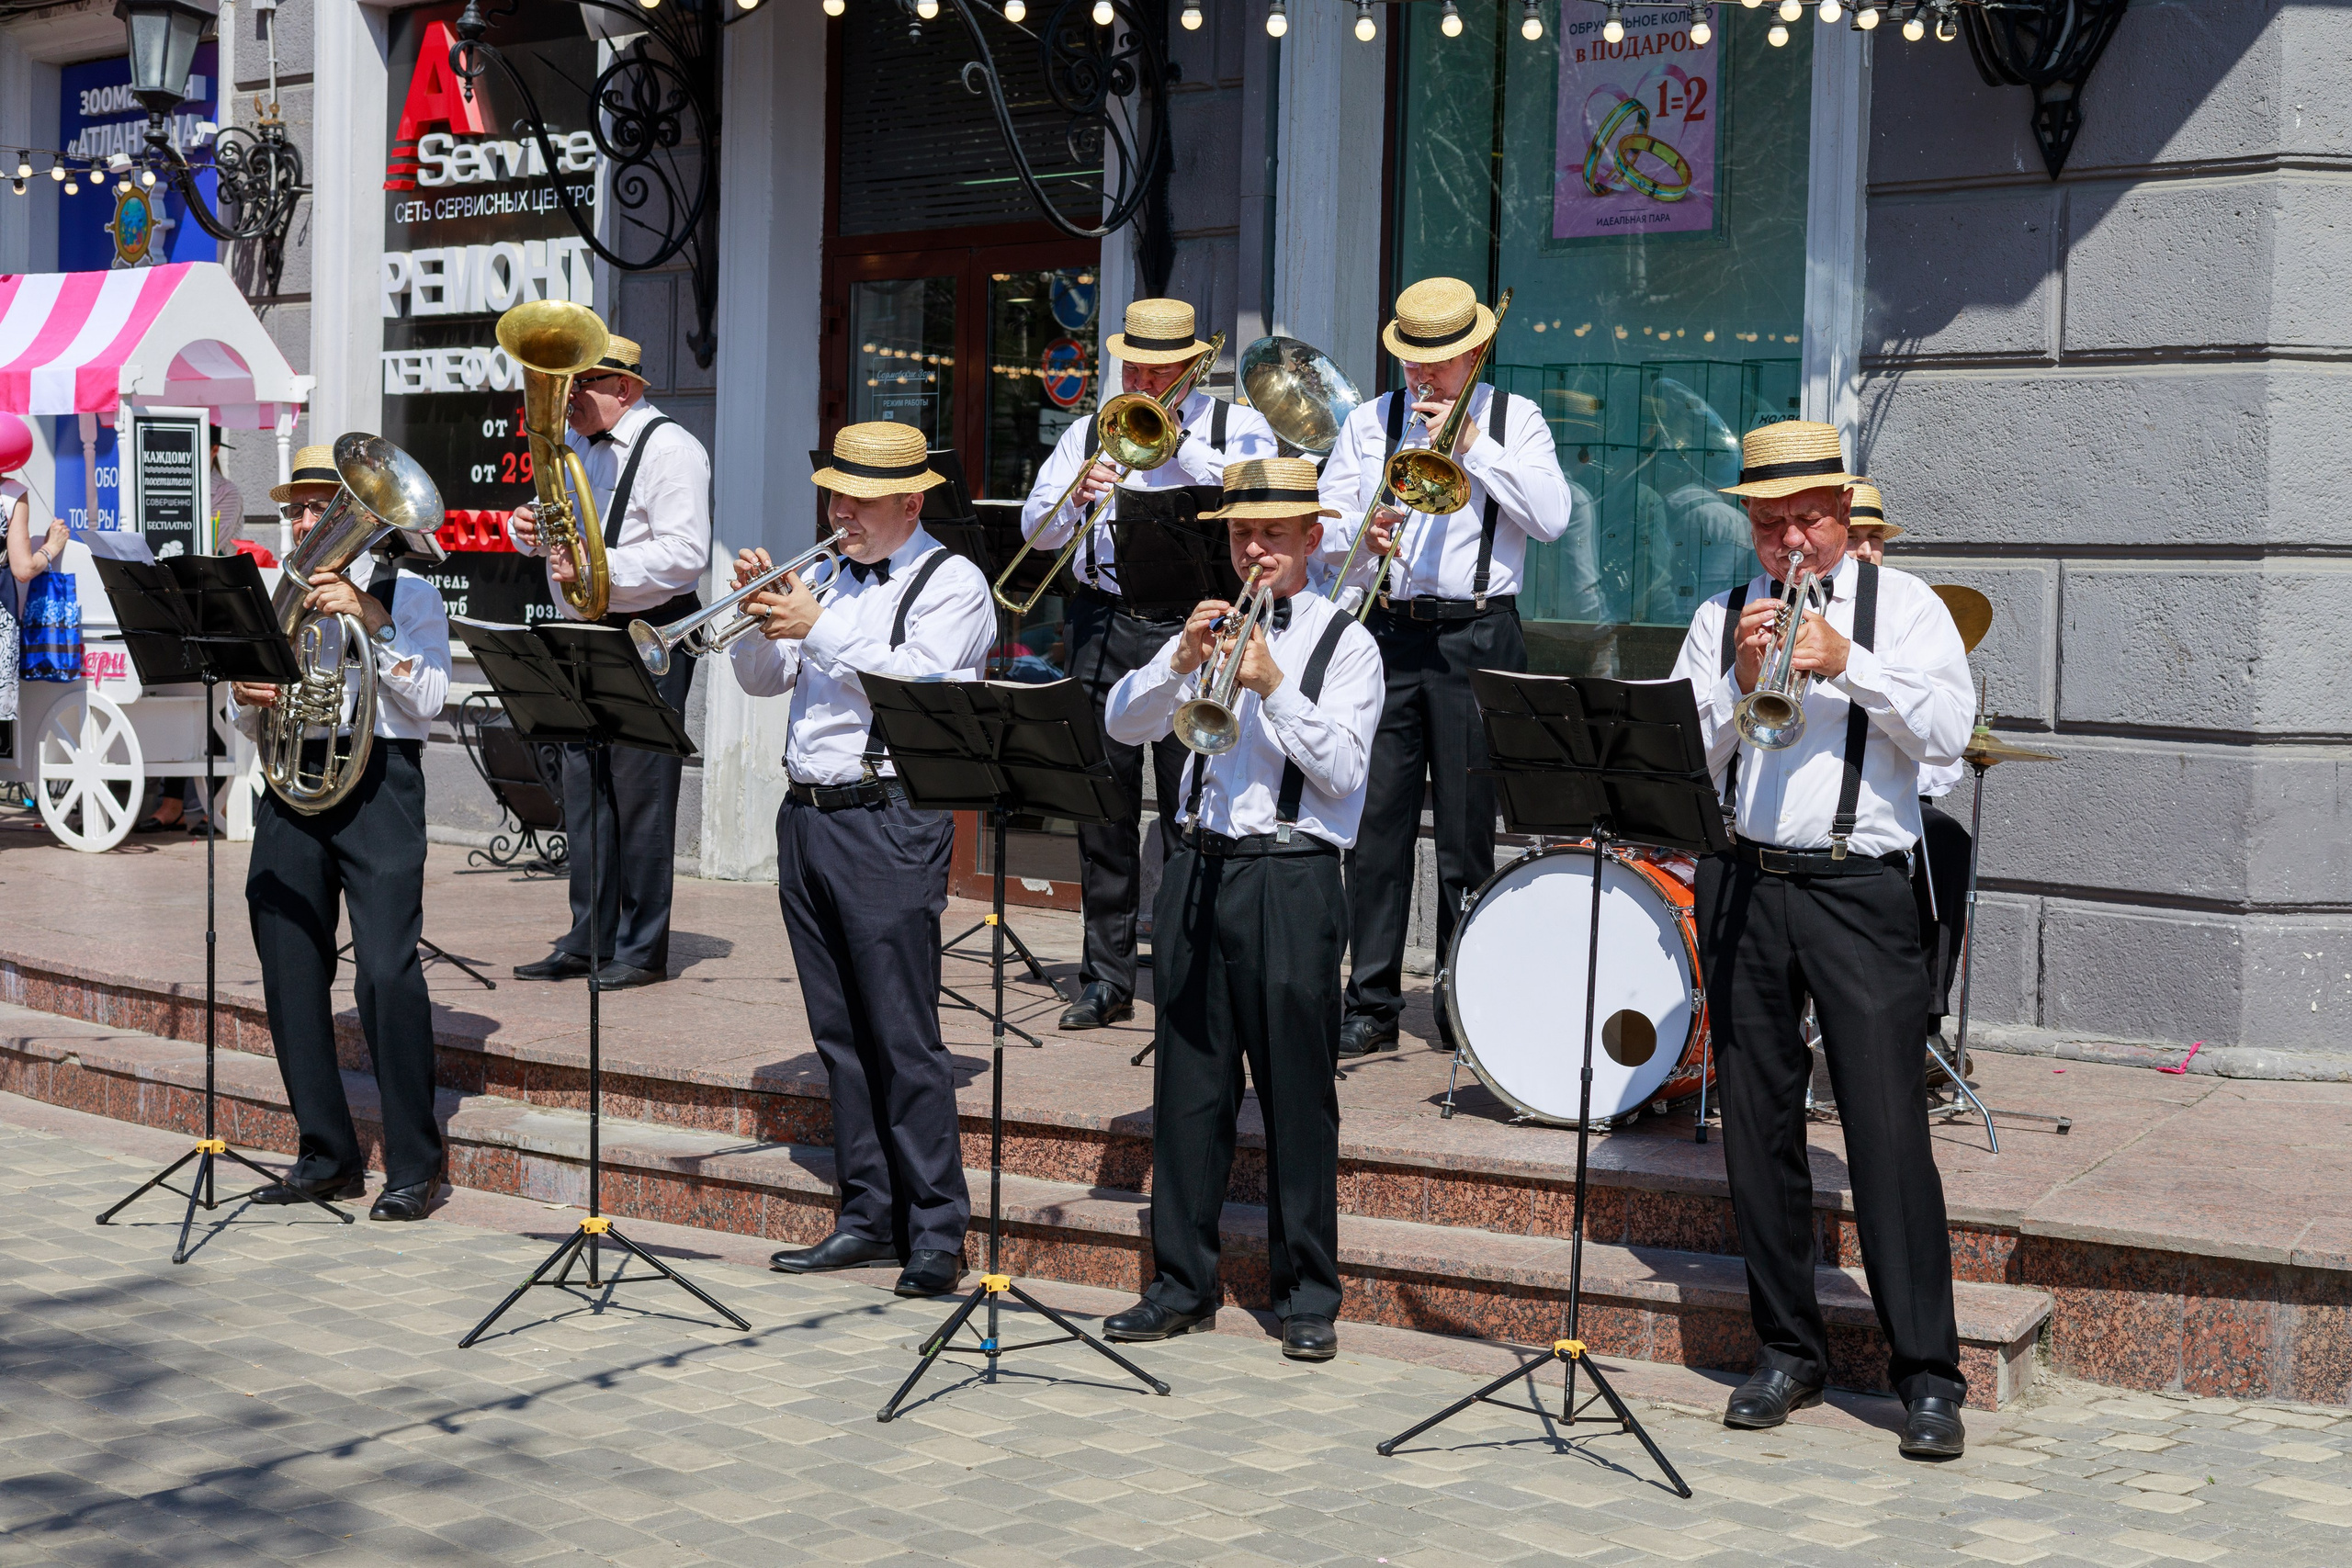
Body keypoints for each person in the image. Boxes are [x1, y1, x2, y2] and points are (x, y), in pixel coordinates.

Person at [1668, 421, 1974, 1460]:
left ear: (1843, 514)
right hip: (1747, 881)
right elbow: (1686, 756)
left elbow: (1945, 739)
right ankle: (1785, 1350)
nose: (1787, 540)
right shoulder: (1719, 614)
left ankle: (1926, 1376)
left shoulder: (1909, 607)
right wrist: (1735, 673)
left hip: (1858, 891)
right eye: (1766, 522)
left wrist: (1847, 662)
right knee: (1754, 1127)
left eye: (1805, 518)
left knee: (1887, 1132)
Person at [1097, 457, 1383, 1361]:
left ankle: (1307, 1296)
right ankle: (1180, 1284)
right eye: (1239, 534)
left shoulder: (1349, 644)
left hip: (1292, 877)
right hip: (1197, 867)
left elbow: (1342, 773)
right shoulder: (1206, 629)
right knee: (1188, 1088)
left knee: (1297, 1093)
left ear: (1312, 540)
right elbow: (1121, 723)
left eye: (1271, 535)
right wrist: (1179, 660)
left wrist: (1270, 685)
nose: (1253, 550)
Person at [731, 422, 995, 1300]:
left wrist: (821, 623)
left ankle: (935, 1229)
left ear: (910, 503)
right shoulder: (829, 575)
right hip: (805, 815)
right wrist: (759, 619)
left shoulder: (951, 582)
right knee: (839, 1034)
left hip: (887, 817)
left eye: (857, 499)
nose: (838, 511)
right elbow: (761, 683)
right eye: (833, 494)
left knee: (902, 1034)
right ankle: (865, 1214)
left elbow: (923, 682)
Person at [1317, 276, 1572, 1058]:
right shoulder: (1369, 422)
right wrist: (1365, 537)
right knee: (1376, 825)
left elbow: (1553, 518)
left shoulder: (1513, 418)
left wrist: (1473, 449)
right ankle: (1372, 999)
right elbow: (1326, 528)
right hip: (1389, 631)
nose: (1420, 379)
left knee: (1467, 830)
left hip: (1479, 635)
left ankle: (1466, 1000)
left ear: (1472, 353)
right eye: (1411, 363)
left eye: (1436, 364)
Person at [1021, 299, 1277, 1030]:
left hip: (1194, 627)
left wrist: (1176, 452)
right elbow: (1034, 532)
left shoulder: (1236, 427)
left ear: (1191, 367)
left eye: (1157, 367)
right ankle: (1104, 976)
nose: (1141, 378)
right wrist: (1077, 497)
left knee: (1189, 801)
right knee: (1102, 807)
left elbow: (1259, 494)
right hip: (1105, 620)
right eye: (1132, 364)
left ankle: (1189, 971)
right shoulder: (1088, 432)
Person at [229, 445, 453, 1221]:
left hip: (378, 782)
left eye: (318, 508)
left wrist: (374, 618)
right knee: (289, 965)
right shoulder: (274, 589)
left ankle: (416, 1165)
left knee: (387, 974)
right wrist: (248, 693)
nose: (303, 522)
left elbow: (428, 700)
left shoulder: (411, 589)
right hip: (293, 778)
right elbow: (244, 706)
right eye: (296, 508)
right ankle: (326, 1154)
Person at [506, 335, 712, 990]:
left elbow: (686, 555)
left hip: (649, 633)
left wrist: (600, 567)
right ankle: (587, 936)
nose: (564, 399)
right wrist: (529, 531)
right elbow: (560, 529)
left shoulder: (673, 449)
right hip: (587, 628)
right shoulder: (574, 453)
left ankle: (642, 945)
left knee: (641, 790)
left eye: (579, 385)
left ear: (623, 387)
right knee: (584, 784)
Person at [1844, 480, 1973, 1062]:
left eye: (1875, 540)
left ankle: (1925, 1019)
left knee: (1944, 841)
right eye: (1853, 539)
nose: (1866, 551)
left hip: (1890, 805)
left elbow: (1941, 762)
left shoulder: (1906, 618)